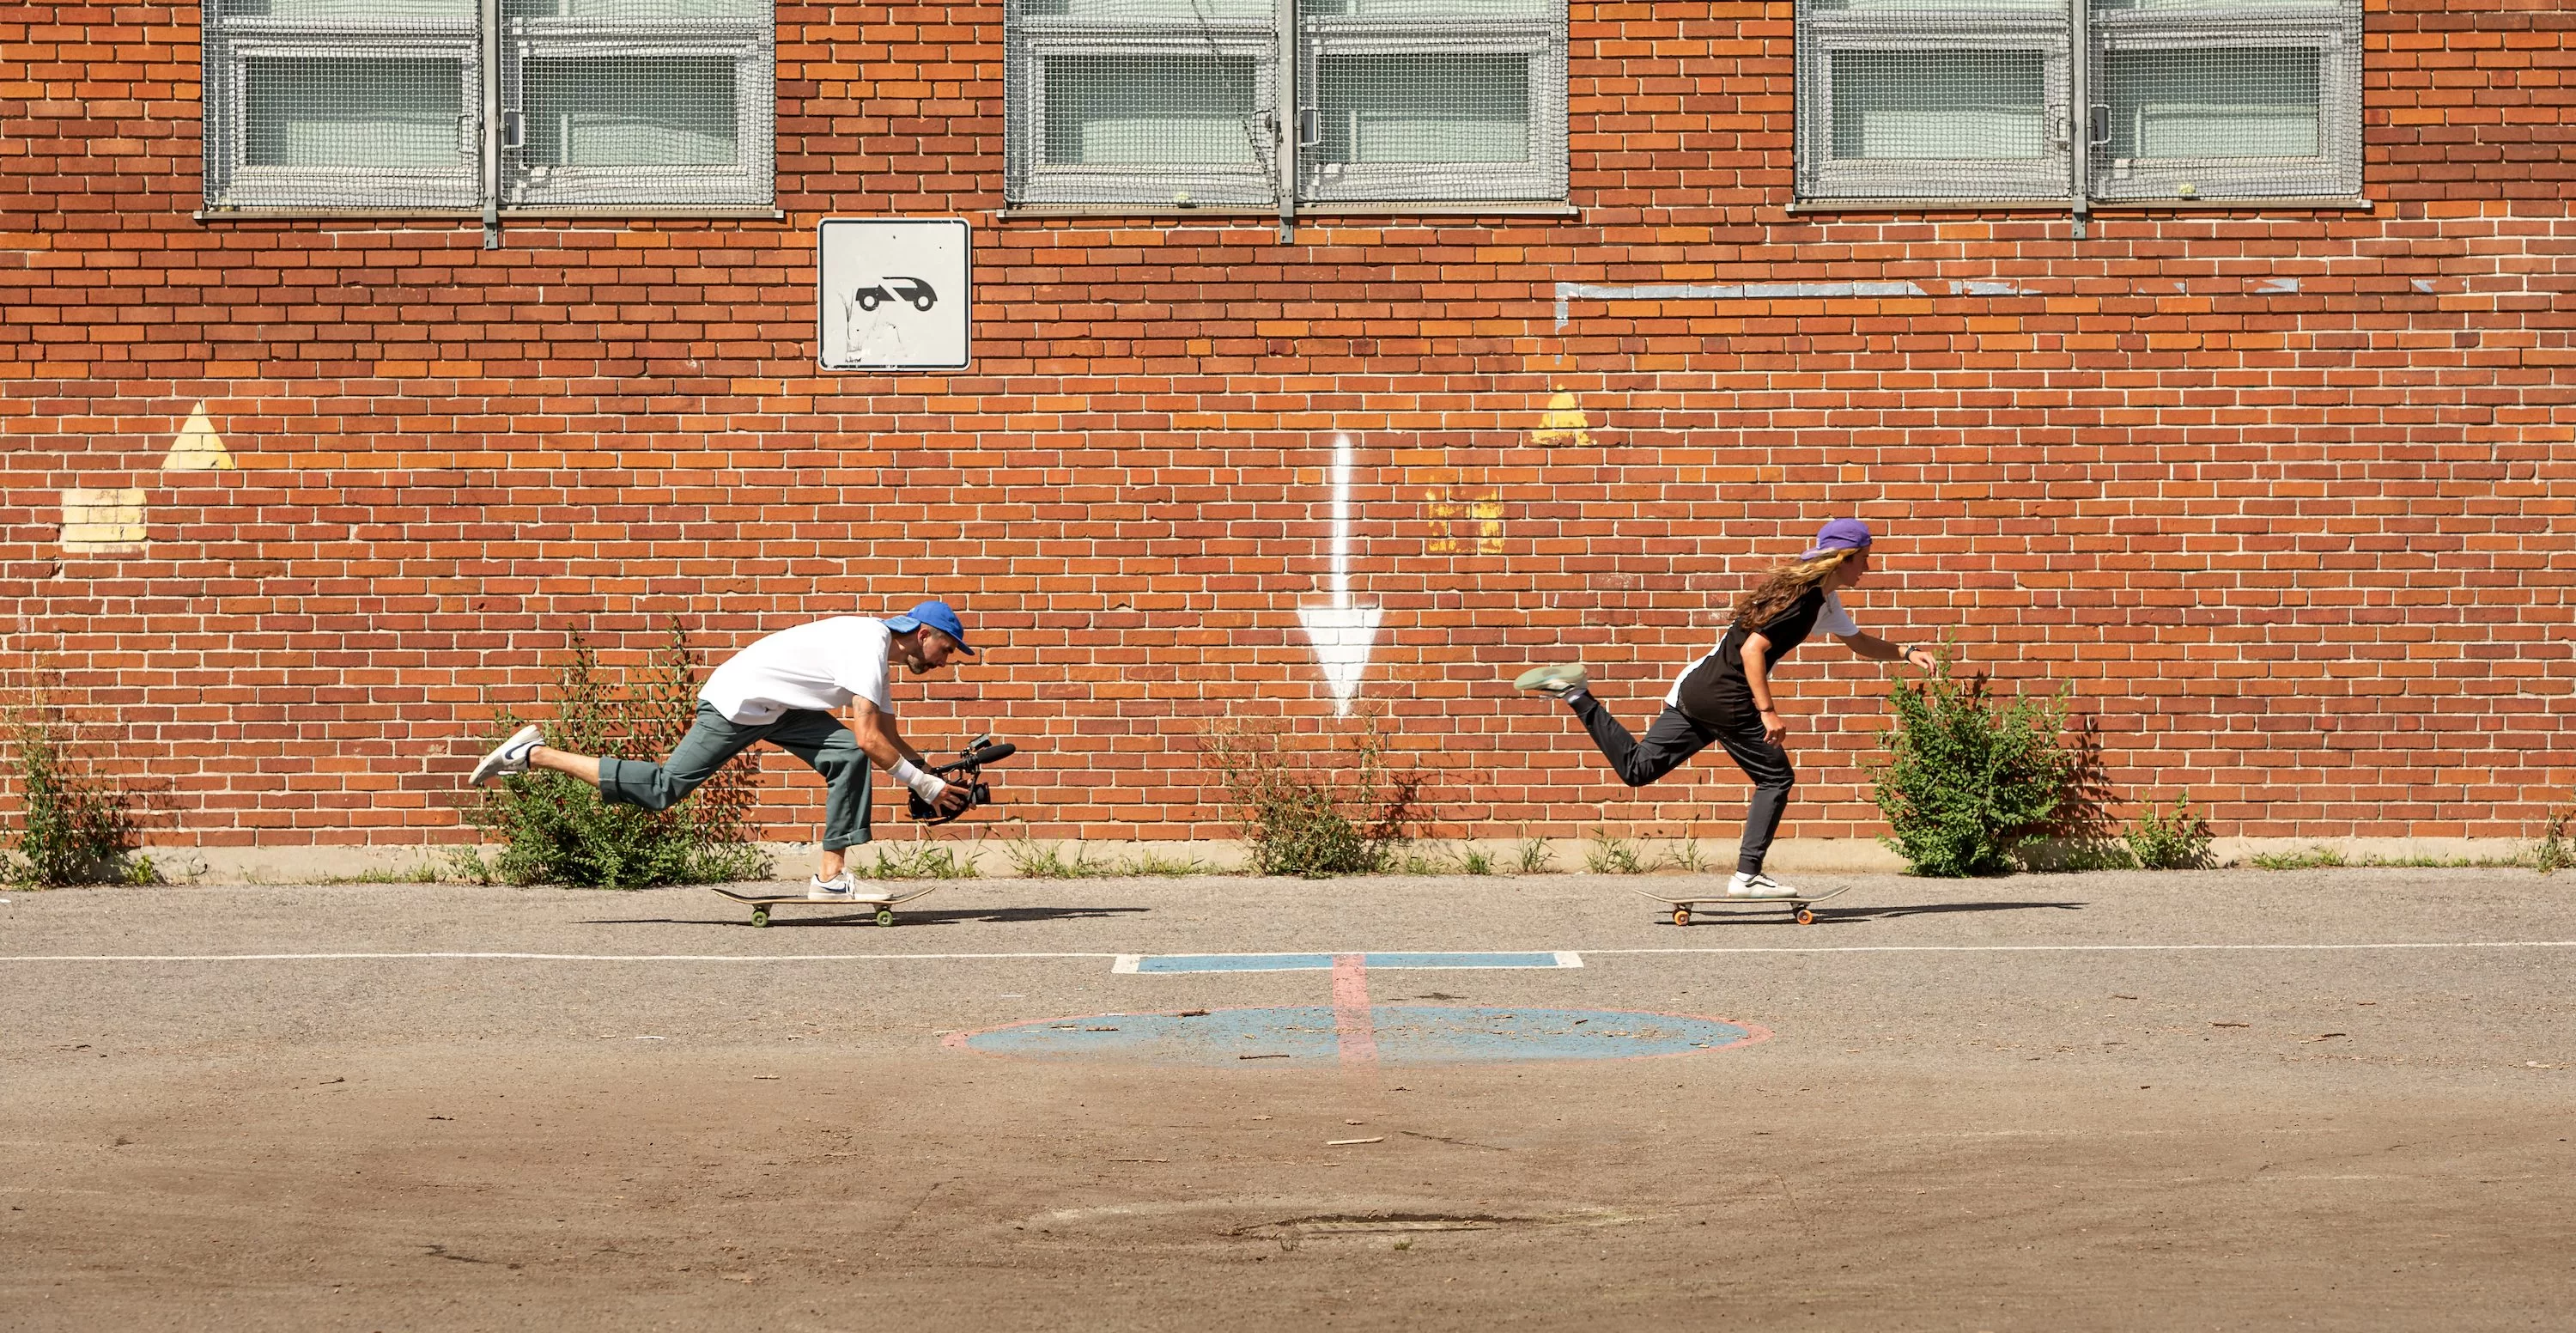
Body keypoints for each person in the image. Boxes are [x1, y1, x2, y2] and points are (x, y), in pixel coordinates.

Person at [1513, 518, 1938, 898]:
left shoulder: (1817, 599)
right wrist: (1768, 711)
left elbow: (1858, 641)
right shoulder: (1804, 601)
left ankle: (1575, 694)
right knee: (1776, 777)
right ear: (1843, 559)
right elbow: (1754, 651)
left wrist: (1907, 651)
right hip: (1727, 697)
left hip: (1696, 689)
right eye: (1864, 559)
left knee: (1638, 769)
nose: (1868, 567)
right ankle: (1748, 875)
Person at [468, 601, 981, 898]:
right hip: (737, 704)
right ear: (924, 633)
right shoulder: (867, 645)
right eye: (949, 648)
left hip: (779, 708)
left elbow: (885, 736)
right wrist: (927, 786)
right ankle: (533, 755)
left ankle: (830, 878)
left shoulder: (878, 656)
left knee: (844, 755)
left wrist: (929, 771)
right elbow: (872, 740)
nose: (947, 660)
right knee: (665, 789)